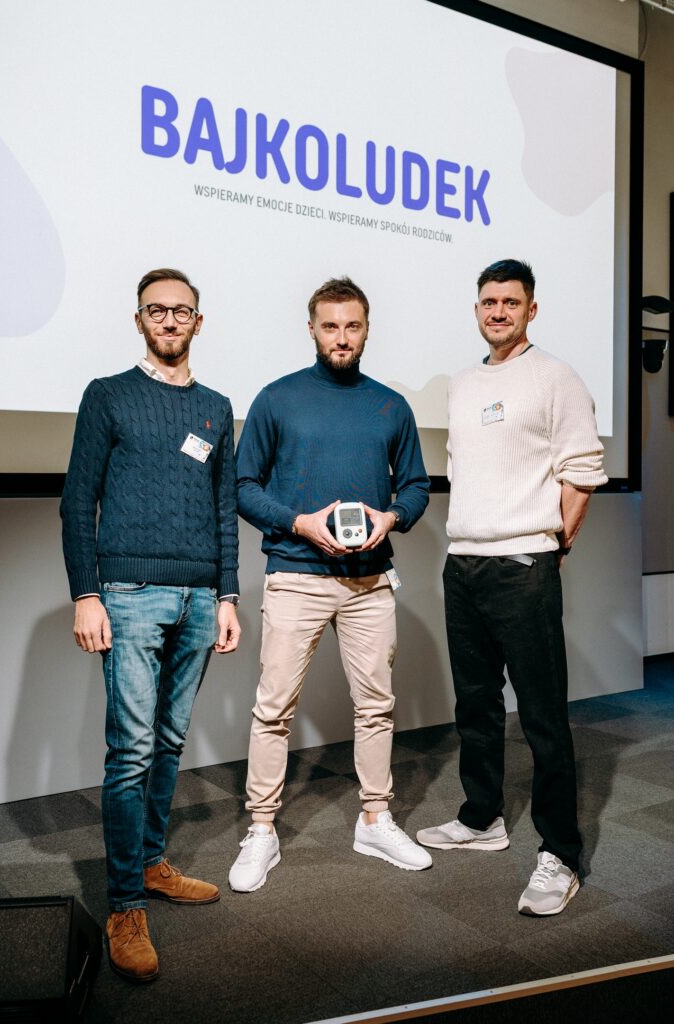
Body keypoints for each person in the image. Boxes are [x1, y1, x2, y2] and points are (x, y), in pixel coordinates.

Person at [60, 268, 240, 981]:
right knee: (131, 751)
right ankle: (125, 905)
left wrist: (228, 596)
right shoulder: (107, 395)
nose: (169, 320)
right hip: (128, 593)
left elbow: (224, 510)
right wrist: (86, 593)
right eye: (156, 310)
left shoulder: (217, 408)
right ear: (139, 319)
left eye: (181, 311)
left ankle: (151, 862)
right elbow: (78, 501)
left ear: (199, 321)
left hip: (200, 597)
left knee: (168, 741)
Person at [228, 276, 432, 892]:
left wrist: (390, 518)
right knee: (273, 710)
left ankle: (375, 819)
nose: (341, 337)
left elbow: (416, 486)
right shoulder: (277, 399)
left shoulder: (391, 406)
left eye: (352, 326)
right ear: (312, 329)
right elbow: (243, 486)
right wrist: (300, 523)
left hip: (369, 581)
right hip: (296, 575)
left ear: (366, 330)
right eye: (330, 326)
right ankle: (261, 829)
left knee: (376, 706)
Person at [416, 259, 607, 916]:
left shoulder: (556, 377)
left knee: (543, 718)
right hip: (464, 563)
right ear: (477, 309)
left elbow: (582, 473)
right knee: (475, 706)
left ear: (531, 309)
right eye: (489, 302)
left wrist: (552, 549)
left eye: (511, 302)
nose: (498, 311)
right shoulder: (464, 383)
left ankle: (561, 853)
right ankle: (482, 818)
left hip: (524, 565)